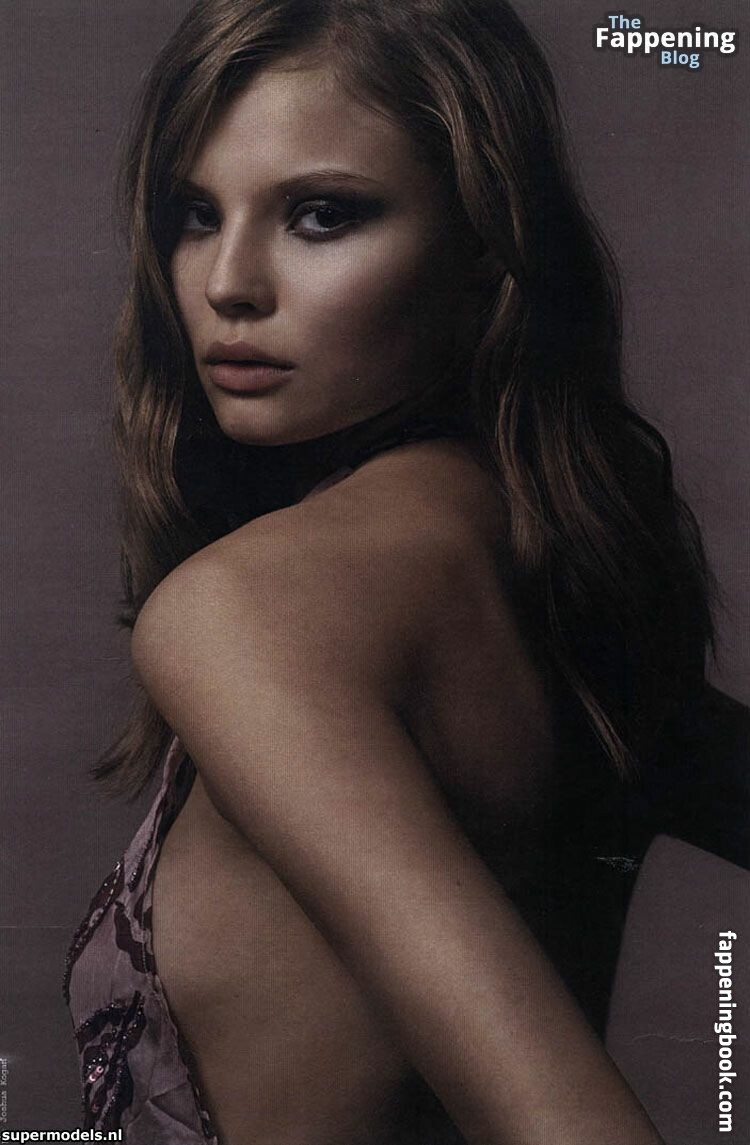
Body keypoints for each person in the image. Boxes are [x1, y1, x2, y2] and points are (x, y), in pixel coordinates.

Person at [63, 0, 715, 1141]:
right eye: (195, 215)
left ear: (486, 250)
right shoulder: (560, 557)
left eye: (322, 214)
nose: (228, 282)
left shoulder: (245, 611)